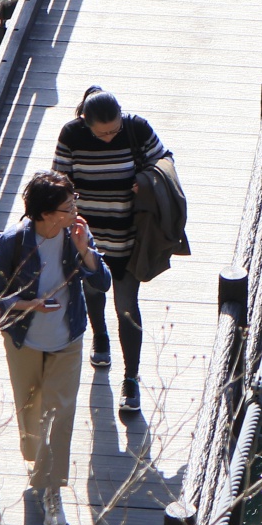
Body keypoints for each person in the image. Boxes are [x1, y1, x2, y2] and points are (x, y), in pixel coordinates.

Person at [0, 170, 110, 525]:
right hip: (23, 339)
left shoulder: (76, 236)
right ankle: (37, 463)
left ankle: (51, 491)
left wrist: (85, 251)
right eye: (68, 207)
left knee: (59, 414)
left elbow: (102, 281)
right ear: (45, 213)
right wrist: (28, 304)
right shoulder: (12, 242)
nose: (75, 211)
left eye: (73, 204)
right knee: (30, 412)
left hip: (67, 338)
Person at [53, 85, 169, 417]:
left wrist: (146, 179)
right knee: (92, 288)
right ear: (85, 123)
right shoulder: (71, 136)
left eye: (114, 130)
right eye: (102, 133)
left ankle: (130, 380)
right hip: (88, 237)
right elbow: (59, 179)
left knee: (126, 306)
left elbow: (164, 160)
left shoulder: (137, 128)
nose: (109, 137)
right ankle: (100, 337)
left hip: (130, 236)